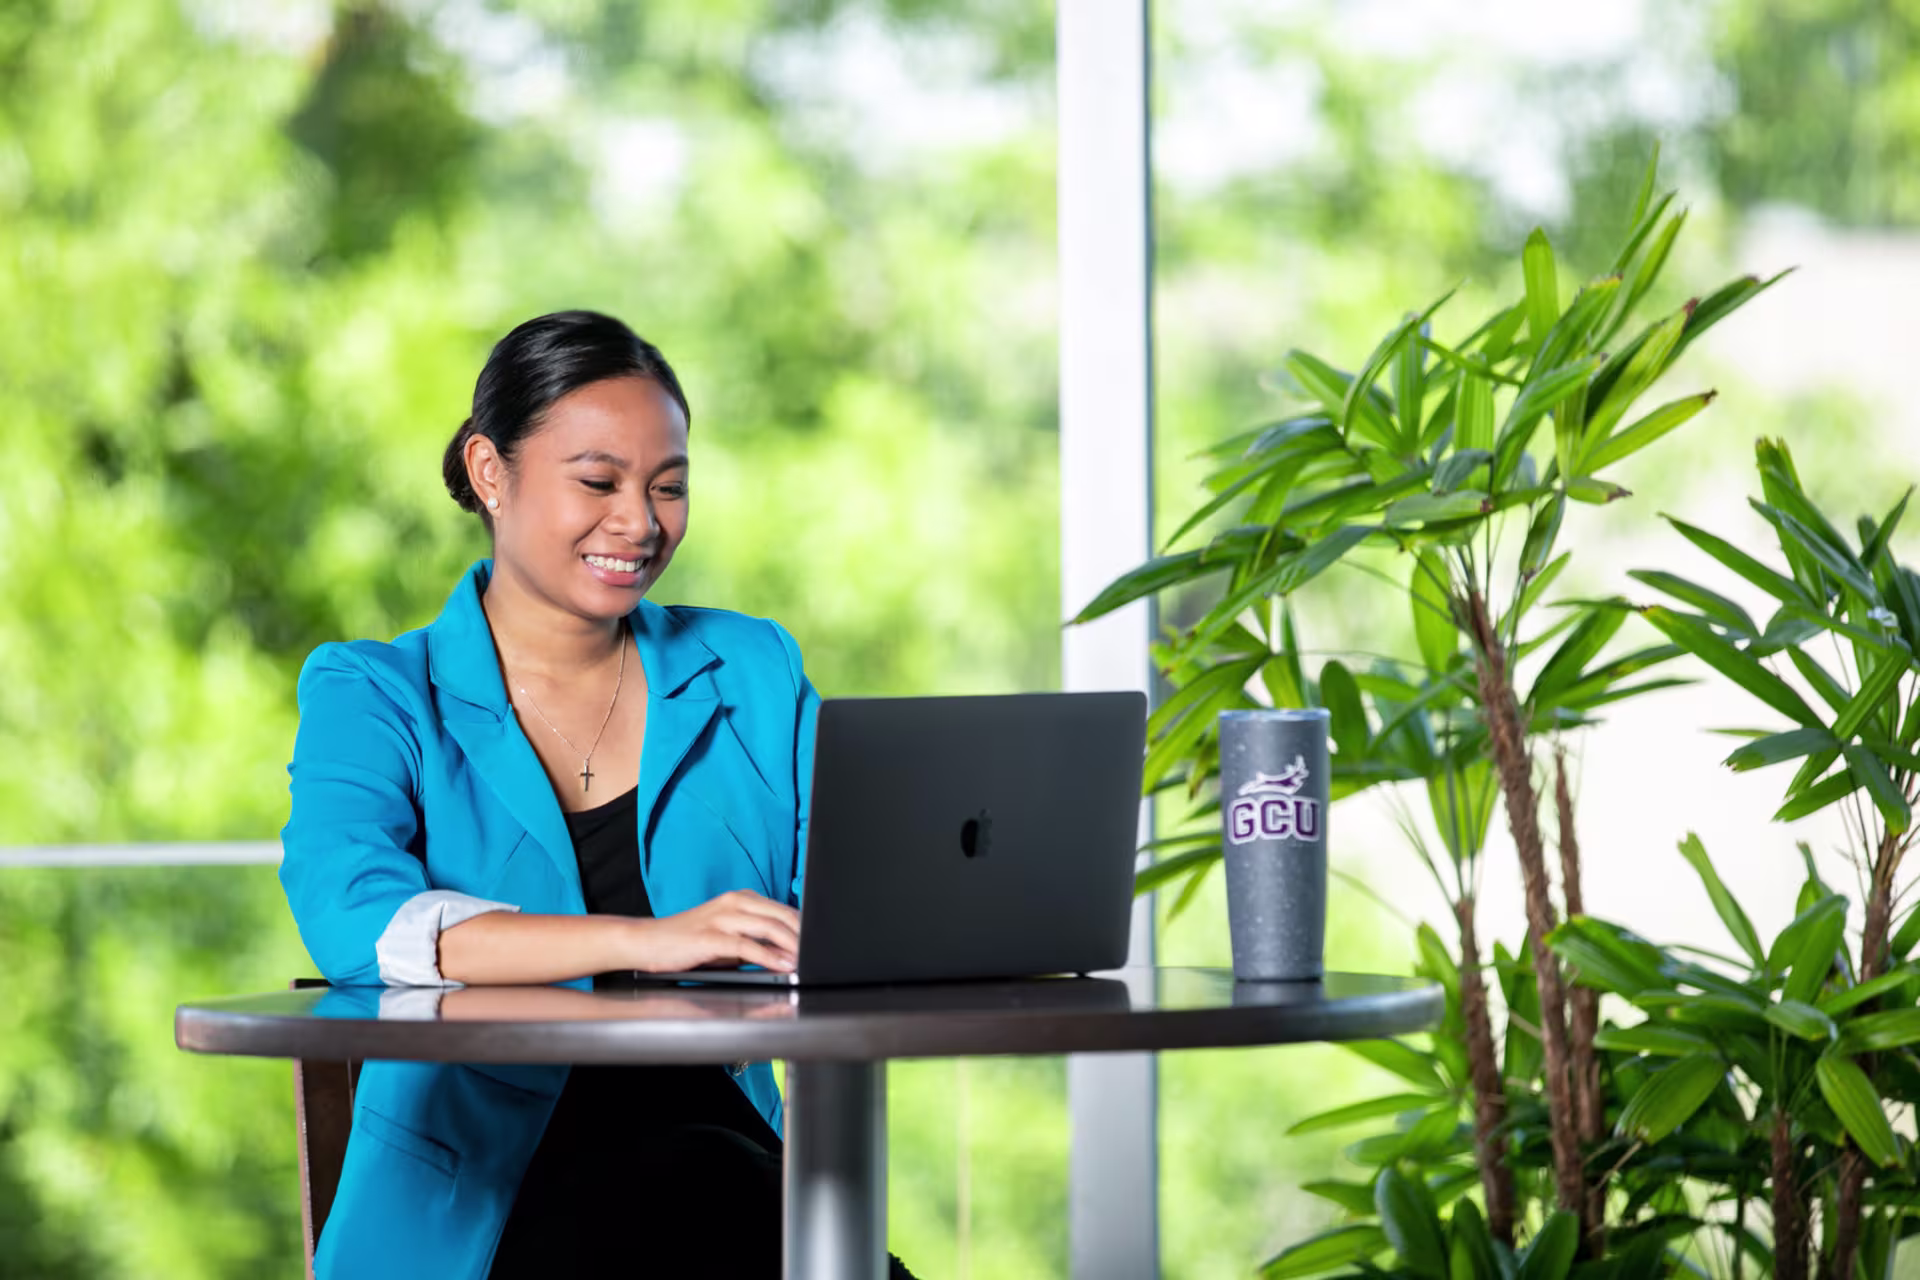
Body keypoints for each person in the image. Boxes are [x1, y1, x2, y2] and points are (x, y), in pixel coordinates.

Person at [278, 311, 914, 1278]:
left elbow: (850, 895)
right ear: (491, 472)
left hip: (728, 1160)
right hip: (489, 1203)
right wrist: (650, 942)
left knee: (714, 1184)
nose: (641, 522)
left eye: (669, 487)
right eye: (598, 482)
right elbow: (362, 927)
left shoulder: (750, 668)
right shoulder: (372, 693)